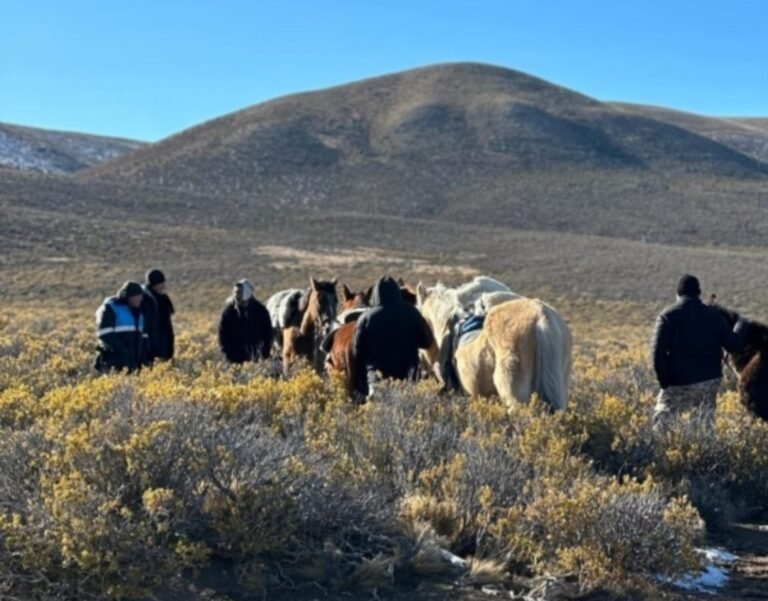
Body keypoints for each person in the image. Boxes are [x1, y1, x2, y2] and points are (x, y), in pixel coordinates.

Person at [651, 274, 746, 427]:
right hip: (707, 382)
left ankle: (660, 449)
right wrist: (741, 323)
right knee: (703, 425)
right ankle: (704, 449)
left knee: (662, 423)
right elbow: (734, 345)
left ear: (678, 294)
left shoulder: (667, 317)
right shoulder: (714, 316)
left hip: (676, 382)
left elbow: (657, 355)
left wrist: (664, 382)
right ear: (698, 293)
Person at [351, 275, 435, 398]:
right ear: (397, 292)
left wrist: (362, 385)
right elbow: (427, 342)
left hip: (377, 382)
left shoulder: (365, 318)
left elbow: (357, 354)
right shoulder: (411, 313)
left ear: (375, 294)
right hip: (409, 379)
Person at [95, 281, 149, 373]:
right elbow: (104, 334)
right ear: (129, 296)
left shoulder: (139, 314)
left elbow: (143, 338)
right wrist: (124, 352)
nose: (141, 299)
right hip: (114, 363)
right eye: (138, 296)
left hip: (133, 364)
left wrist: (144, 359)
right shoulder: (111, 308)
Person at [218, 279, 273, 363]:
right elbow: (222, 335)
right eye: (235, 292)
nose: (236, 295)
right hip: (234, 358)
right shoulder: (229, 311)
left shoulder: (260, 310)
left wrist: (264, 354)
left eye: (239, 292)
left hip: (256, 358)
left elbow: (267, 334)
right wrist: (227, 355)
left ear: (246, 293)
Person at [141, 269, 175, 362]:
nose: (162, 286)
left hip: (165, 341)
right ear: (153, 284)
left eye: (162, 283)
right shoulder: (145, 299)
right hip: (153, 344)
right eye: (160, 283)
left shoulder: (163, 298)